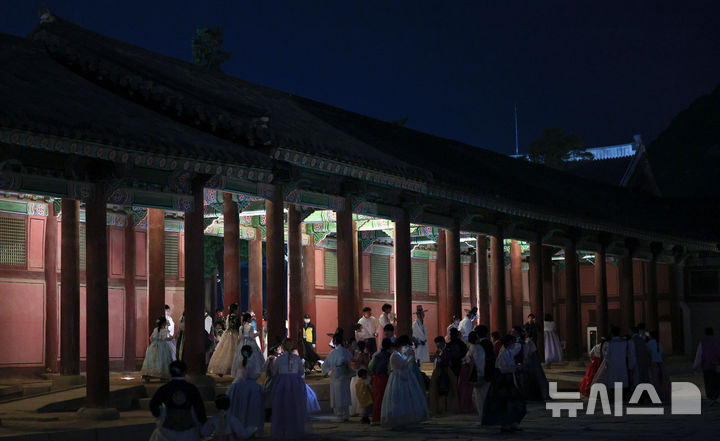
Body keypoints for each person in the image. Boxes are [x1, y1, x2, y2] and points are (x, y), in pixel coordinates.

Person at [149, 360, 207, 441]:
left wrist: (159, 414)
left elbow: (153, 404)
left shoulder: (165, 388)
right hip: (189, 429)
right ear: (185, 372)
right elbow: (199, 408)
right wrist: (203, 424)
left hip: (167, 429)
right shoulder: (191, 388)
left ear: (170, 372)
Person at [381, 335, 430, 427]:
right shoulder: (394, 355)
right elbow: (402, 365)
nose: (406, 348)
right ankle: (398, 418)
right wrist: (410, 358)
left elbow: (408, 366)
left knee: (408, 398)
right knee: (399, 399)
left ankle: (409, 417)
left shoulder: (402, 355)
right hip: (397, 379)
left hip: (406, 378)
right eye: (405, 346)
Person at [482, 335, 526, 432]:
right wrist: (515, 368)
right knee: (505, 403)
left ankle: (514, 422)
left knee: (515, 402)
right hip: (504, 382)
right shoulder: (503, 354)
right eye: (513, 342)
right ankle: (506, 423)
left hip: (509, 380)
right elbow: (503, 369)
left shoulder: (508, 353)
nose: (514, 344)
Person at [271, 339, 308, 439]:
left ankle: (283, 429)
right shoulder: (296, 358)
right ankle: (295, 428)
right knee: (295, 405)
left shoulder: (279, 359)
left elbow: (274, 372)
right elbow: (301, 371)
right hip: (295, 383)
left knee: (282, 406)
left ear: (282, 347)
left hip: (282, 383)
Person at [227, 345, 265, 438]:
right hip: (251, 386)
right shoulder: (252, 362)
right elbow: (255, 375)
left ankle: (237, 428)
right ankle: (250, 429)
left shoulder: (239, 361)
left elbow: (236, 373)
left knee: (237, 407)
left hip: (237, 385)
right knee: (251, 410)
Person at [322, 330, 354, 422]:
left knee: (338, 394)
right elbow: (350, 359)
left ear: (334, 341)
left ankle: (340, 414)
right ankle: (346, 414)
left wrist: (325, 371)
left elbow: (326, 364)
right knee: (345, 393)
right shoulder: (346, 351)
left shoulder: (333, 353)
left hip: (337, 374)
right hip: (345, 373)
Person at [428, 335, 459, 415]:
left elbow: (446, 361)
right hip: (438, 371)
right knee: (438, 389)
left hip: (446, 371)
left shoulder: (447, 350)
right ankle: (440, 407)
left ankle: (446, 408)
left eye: (438, 344)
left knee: (446, 388)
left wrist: (438, 357)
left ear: (442, 343)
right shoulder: (439, 350)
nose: (437, 346)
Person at [208, 304, 241, 376]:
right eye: (237, 309)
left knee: (224, 351)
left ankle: (222, 368)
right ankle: (232, 368)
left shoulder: (228, 317)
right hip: (233, 334)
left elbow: (227, 326)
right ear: (235, 309)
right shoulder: (235, 317)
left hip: (227, 334)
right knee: (233, 351)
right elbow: (236, 327)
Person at [605, 326, 637, 399]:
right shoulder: (624, 342)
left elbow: (607, 356)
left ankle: (615, 396)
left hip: (613, 366)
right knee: (622, 380)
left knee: (614, 381)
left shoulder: (610, 343)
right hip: (622, 365)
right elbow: (629, 353)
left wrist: (607, 365)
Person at [142, 316, 177, 381]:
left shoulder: (155, 329)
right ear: (164, 324)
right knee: (162, 360)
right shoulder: (165, 330)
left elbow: (151, 338)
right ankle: (163, 376)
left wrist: (154, 342)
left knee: (152, 360)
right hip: (162, 346)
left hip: (153, 346)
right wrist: (171, 338)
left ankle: (148, 375)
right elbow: (164, 338)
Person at [232, 313, 264, 379]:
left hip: (243, 343)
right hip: (250, 342)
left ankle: (242, 370)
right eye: (250, 319)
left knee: (240, 356)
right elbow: (252, 336)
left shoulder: (241, 327)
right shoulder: (250, 327)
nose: (251, 320)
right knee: (253, 356)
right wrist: (258, 333)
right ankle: (252, 371)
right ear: (248, 319)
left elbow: (240, 337)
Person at [368, 338, 392, 425]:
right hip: (385, 378)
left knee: (377, 399)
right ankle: (384, 418)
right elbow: (390, 369)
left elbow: (370, 367)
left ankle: (376, 418)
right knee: (385, 400)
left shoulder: (376, 355)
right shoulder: (390, 356)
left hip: (376, 378)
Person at [693, 327, 720, 405]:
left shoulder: (703, 342)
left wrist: (695, 366)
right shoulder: (717, 341)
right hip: (716, 365)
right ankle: (716, 396)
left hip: (706, 365)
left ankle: (711, 398)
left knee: (708, 382)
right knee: (717, 381)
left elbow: (699, 355)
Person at [472, 325, 494, 419]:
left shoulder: (479, 346)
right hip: (490, 371)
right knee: (487, 395)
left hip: (482, 373)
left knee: (480, 397)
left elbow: (479, 361)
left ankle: (483, 418)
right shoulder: (489, 343)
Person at [647, 331, 670, 402]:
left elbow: (648, 353)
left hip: (653, 364)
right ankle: (663, 396)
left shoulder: (649, 344)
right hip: (660, 363)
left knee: (654, 381)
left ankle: (655, 396)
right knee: (662, 380)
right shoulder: (658, 343)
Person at [457, 332, 478, 413]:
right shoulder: (474, 347)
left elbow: (470, 360)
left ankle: (466, 405)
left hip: (467, 369)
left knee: (465, 389)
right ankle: (467, 405)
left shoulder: (472, 347)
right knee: (467, 389)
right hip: (467, 368)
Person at [350, 340, 371, 417]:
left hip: (359, 373)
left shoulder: (359, 355)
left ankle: (358, 410)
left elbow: (356, 365)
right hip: (364, 371)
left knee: (356, 390)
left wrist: (351, 363)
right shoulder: (366, 355)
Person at [631, 325, 651, 391]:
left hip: (637, 361)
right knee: (644, 377)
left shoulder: (632, 340)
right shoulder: (642, 339)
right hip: (644, 361)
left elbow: (632, 353)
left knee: (637, 378)